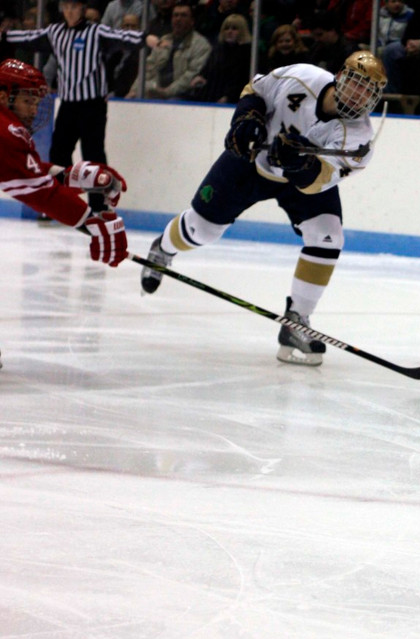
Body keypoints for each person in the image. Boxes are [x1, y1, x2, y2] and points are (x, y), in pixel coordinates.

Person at [138, 52, 387, 367]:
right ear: (340, 76)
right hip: (249, 162)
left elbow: (318, 181)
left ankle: (296, 320)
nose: (360, 94)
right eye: (356, 83)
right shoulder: (301, 76)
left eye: (369, 91)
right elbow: (255, 90)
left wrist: (300, 164)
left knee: (328, 236)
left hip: (297, 183)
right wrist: (247, 118)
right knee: (201, 230)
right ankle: (162, 248)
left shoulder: (359, 138)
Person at [0, 58, 128, 368]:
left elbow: (27, 174)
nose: (34, 109)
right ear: (4, 97)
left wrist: (73, 174)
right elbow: (39, 192)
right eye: (28, 100)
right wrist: (93, 224)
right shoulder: (6, 132)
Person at [2, 0, 156, 212]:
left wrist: (144, 38)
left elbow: (121, 37)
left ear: (83, 9)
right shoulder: (55, 32)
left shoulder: (96, 32)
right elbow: (28, 38)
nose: (70, 11)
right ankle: (61, 202)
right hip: (68, 104)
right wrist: (4, 35)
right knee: (58, 153)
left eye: (74, 7)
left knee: (93, 154)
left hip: (92, 105)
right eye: (66, 7)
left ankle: (99, 205)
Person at [132, 1, 212, 100]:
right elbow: (148, 67)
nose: (178, 19)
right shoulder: (163, 40)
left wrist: (167, 92)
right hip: (155, 92)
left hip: (182, 96)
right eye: (175, 15)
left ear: (192, 21)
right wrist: (134, 91)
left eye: (183, 15)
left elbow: (191, 75)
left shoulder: (201, 45)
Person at [187, 14, 251, 103]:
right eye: (227, 28)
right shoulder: (217, 50)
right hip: (212, 96)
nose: (229, 31)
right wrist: (200, 77)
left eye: (234, 28)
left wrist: (228, 97)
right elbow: (207, 71)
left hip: (234, 99)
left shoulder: (247, 53)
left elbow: (242, 80)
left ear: (242, 31)